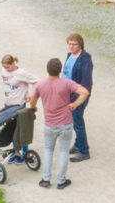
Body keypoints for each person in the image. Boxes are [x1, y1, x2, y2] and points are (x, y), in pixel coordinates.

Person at [28, 58, 82, 189]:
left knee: (48, 150)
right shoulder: (67, 83)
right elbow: (84, 92)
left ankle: (46, 179)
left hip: (49, 124)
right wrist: (75, 104)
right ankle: (61, 181)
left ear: (47, 69)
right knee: (64, 151)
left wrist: (34, 108)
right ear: (60, 70)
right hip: (65, 123)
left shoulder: (40, 85)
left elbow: (32, 101)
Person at [60, 33, 94, 162]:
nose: (71, 46)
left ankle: (84, 151)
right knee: (74, 121)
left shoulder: (85, 59)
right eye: (69, 44)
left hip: (79, 95)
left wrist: (76, 97)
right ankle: (78, 144)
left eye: (74, 44)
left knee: (77, 121)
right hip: (68, 93)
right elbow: (66, 74)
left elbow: (86, 82)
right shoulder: (69, 55)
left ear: (80, 45)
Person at [0, 54, 38, 163]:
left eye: (8, 67)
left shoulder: (21, 73)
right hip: (8, 106)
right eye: (4, 67)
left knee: (21, 130)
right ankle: (16, 152)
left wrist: (30, 95)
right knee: (12, 130)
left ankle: (25, 154)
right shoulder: (3, 71)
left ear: (13, 63)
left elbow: (36, 81)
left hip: (19, 106)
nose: (6, 69)